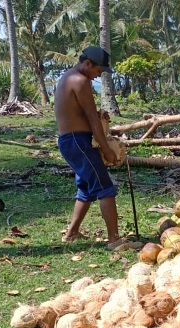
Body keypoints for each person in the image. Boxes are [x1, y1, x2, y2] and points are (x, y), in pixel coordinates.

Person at [54, 46, 128, 250]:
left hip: (71, 141)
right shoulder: (81, 81)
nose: (98, 76)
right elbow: (92, 121)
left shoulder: (67, 77)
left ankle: (71, 233)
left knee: (87, 188)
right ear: (88, 64)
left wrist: (98, 117)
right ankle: (114, 240)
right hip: (78, 141)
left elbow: (82, 113)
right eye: (98, 71)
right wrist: (106, 149)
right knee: (105, 187)